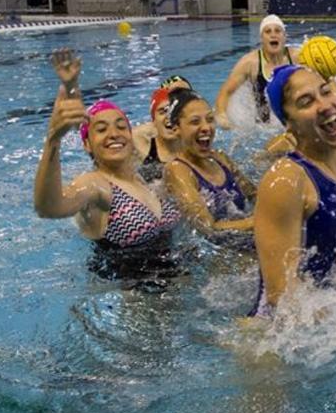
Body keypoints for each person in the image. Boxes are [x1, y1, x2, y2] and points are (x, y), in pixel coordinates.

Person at [251, 65, 336, 315]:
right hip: (275, 337)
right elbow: (282, 297)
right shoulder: (287, 181)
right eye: (306, 102)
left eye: (326, 92)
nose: (324, 105)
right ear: (289, 124)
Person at [33, 50, 181, 259]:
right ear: (87, 144)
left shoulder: (143, 180)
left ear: (131, 137)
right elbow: (49, 208)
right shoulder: (96, 185)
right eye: (101, 129)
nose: (113, 134)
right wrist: (53, 140)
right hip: (128, 289)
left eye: (121, 127)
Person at [162, 89, 255, 235]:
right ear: (176, 129)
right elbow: (207, 227)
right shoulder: (177, 170)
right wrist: (255, 222)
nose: (206, 128)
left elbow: (254, 195)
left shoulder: (221, 159)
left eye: (210, 119)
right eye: (195, 122)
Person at [214, 14, 300, 129]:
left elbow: (324, 76)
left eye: (278, 31)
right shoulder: (250, 62)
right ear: (262, 38)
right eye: (268, 31)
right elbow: (226, 91)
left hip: (295, 124)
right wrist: (221, 115)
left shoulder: (297, 57)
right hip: (263, 129)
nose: (273, 35)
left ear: (284, 37)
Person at [131, 87, 182, 183]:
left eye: (174, 111)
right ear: (153, 120)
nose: (169, 116)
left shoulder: (193, 148)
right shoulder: (143, 147)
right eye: (163, 111)